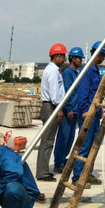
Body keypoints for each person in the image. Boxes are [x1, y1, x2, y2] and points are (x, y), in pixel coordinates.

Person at [72, 41, 105, 185]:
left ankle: (87, 173)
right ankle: (77, 177)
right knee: (84, 145)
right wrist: (84, 111)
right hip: (87, 114)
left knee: (92, 144)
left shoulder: (95, 70)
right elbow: (83, 92)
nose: (103, 59)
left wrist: (98, 111)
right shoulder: (87, 70)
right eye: (102, 56)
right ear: (98, 54)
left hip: (95, 113)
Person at [35, 42, 67, 181]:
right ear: (57, 56)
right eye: (63, 56)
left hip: (49, 106)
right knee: (47, 141)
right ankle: (42, 172)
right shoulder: (53, 71)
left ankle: (43, 170)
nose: (64, 59)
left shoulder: (50, 69)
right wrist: (59, 109)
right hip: (51, 107)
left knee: (47, 140)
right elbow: (55, 93)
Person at [53, 46, 84, 172]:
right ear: (72, 59)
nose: (80, 61)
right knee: (63, 137)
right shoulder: (68, 73)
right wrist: (69, 108)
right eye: (79, 59)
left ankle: (63, 159)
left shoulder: (75, 73)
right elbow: (66, 93)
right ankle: (58, 162)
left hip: (74, 111)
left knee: (70, 138)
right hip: (68, 112)